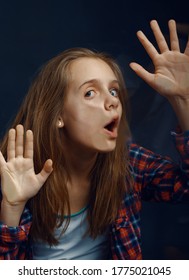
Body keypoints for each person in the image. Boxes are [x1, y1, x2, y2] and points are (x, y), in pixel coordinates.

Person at [0, 19, 189, 260]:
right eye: (90, 92)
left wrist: (184, 99)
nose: (113, 101)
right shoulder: (15, 172)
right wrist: (12, 207)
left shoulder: (128, 164)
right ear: (58, 115)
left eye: (113, 91)